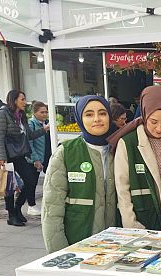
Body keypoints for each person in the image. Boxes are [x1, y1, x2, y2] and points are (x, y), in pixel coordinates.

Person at [41, 95, 117, 253]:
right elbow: (52, 209)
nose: (97, 119)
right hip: (77, 244)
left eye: (102, 113)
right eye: (89, 114)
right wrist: (59, 253)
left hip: (116, 245)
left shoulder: (119, 149)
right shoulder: (66, 152)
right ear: (79, 119)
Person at [112, 86, 161, 230]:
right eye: (153, 122)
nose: (159, 128)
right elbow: (122, 190)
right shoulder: (128, 143)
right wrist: (132, 225)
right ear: (144, 115)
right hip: (142, 224)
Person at [0, 90, 48, 227]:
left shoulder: (21, 115)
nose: (25, 102)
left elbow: (28, 135)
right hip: (6, 154)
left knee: (30, 181)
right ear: (14, 100)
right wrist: (1, 158)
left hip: (19, 153)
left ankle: (18, 207)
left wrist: (44, 130)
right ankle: (11, 215)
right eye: (22, 99)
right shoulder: (2, 114)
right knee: (8, 185)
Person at [25, 101, 52, 216]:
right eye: (42, 112)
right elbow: (29, 143)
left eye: (46, 112)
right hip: (35, 158)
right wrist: (35, 159)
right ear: (35, 113)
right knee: (32, 183)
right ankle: (31, 205)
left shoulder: (46, 123)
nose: (45, 114)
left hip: (46, 156)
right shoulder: (31, 124)